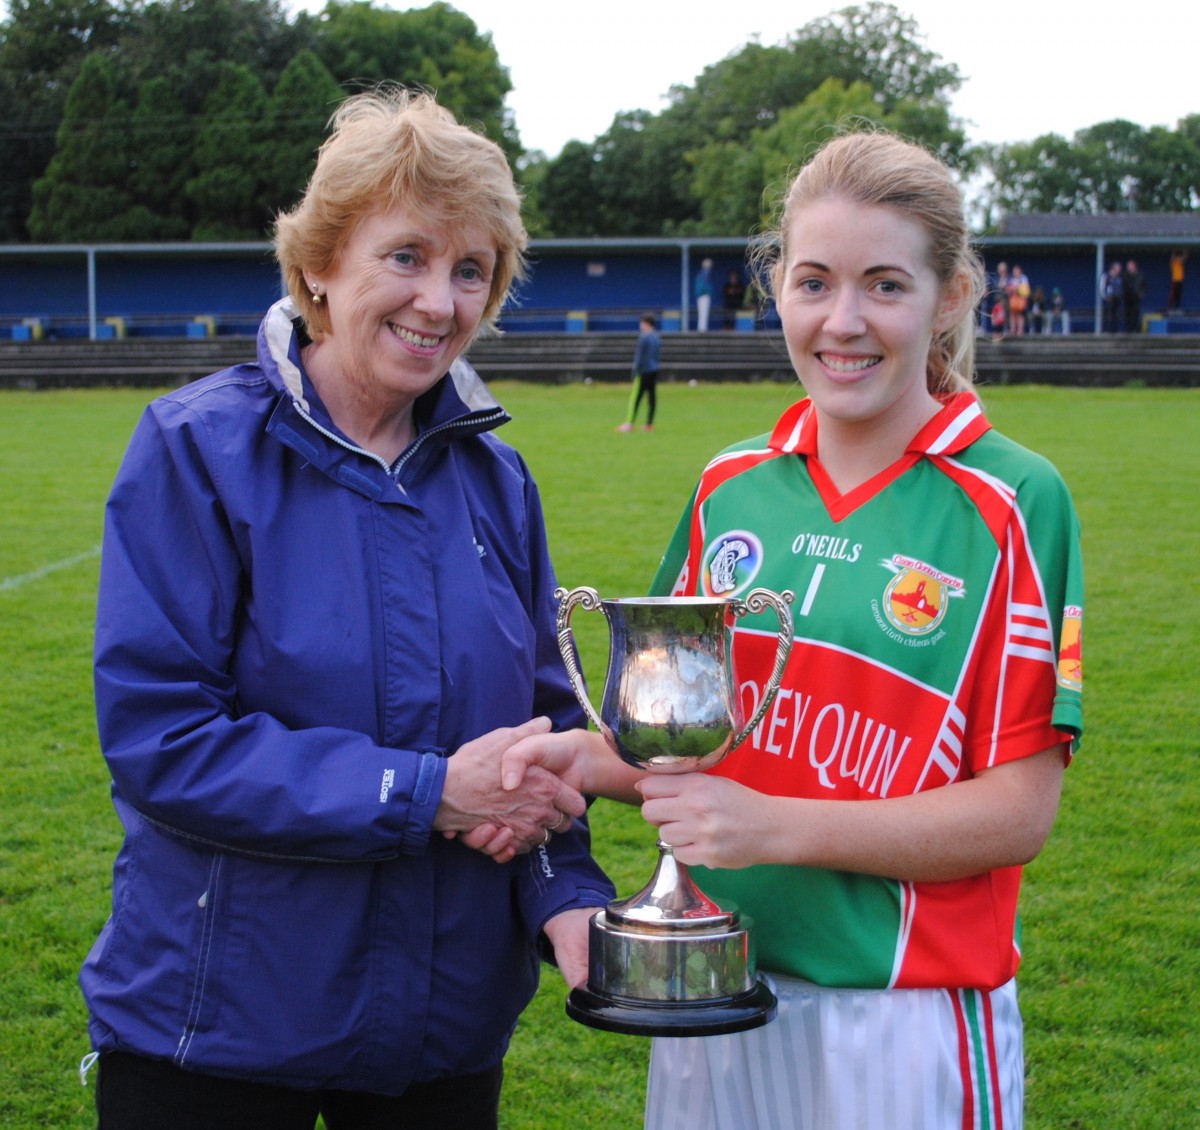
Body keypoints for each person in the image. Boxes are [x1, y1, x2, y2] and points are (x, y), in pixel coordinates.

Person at [500, 130, 1084, 1130]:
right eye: (813, 282)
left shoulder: (1016, 501)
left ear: (949, 297)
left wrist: (782, 828)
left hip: (903, 1020)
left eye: (884, 286)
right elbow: (678, 737)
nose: (843, 321)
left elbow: (1021, 809)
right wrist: (566, 759)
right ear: (776, 288)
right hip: (711, 991)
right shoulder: (731, 483)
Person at [79, 88, 614, 1130]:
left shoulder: (500, 482)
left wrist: (566, 890)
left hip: (440, 1036)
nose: (439, 300)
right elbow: (163, 739)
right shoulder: (196, 449)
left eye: (472, 270)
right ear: (320, 263)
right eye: (406, 255)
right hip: (216, 1034)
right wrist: (426, 791)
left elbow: (544, 735)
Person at [617, 313, 662, 431]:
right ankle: (649, 424)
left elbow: (639, 357)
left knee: (636, 397)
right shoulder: (657, 337)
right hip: (654, 370)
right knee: (652, 398)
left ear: (646, 323)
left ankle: (629, 423)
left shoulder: (644, 337)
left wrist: (635, 371)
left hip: (644, 371)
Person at [1123, 259, 1146, 332]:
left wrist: (1141, 293)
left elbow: (1144, 285)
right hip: (1127, 297)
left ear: (1134, 266)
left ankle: (1136, 329)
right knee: (1128, 313)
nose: (1128, 268)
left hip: (1136, 297)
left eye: (1130, 266)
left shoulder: (1140, 275)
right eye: (1128, 266)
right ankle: (1129, 329)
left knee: (1136, 313)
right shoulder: (1125, 275)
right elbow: (1123, 285)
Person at [1101, 261, 1123, 332]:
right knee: (1109, 315)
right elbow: (1102, 288)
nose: (1119, 270)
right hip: (1109, 299)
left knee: (1116, 315)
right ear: (1113, 268)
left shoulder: (1119, 277)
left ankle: (1115, 330)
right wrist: (1106, 297)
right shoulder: (1106, 276)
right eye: (1118, 268)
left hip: (1117, 299)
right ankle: (1108, 330)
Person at [694, 257, 714, 331]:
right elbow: (704, 286)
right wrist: (708, 292)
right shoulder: (705, 273)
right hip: (704, 295)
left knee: (703, 313)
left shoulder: (702, 273)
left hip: (701, 296)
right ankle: (702, 329)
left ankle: (702, 328)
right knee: (703, 313)